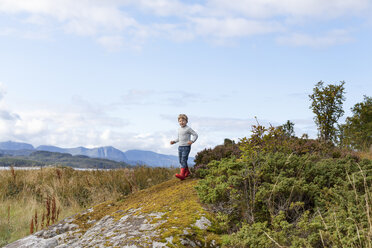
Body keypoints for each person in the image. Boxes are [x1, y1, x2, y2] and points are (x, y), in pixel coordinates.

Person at [170, 114, 198, 180]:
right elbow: (179, 138)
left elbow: (195, 135)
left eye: (183, 120)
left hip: (186, 147)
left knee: (183, 160)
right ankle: (187, 172)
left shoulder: (188, 129)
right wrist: (174, 141)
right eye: (180, 121)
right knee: (181, 161)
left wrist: (192, 141)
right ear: (178, 122)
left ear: (186, 121)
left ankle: (182, 175)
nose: (181, 122)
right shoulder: (179, 129)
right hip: (180, 147)